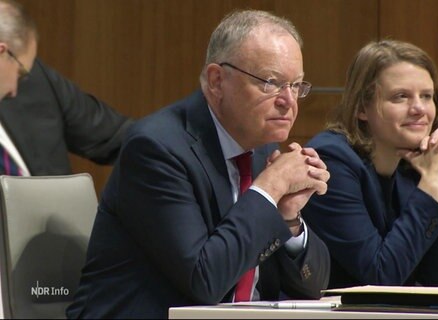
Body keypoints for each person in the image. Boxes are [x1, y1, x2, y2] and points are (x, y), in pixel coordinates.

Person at [67, 9, 331, 319]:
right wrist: (269, 189)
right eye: (271, 83)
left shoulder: (262, 150)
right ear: (217, 80)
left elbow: (314, 286)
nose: (289, 101)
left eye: (296, 86)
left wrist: (288, 218)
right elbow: (204, 280)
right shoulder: (156, 149)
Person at [302, 40, 438, 289]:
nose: (419, 109)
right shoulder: (331, 162)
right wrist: (434, 183)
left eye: (427, 96)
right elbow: (381, 275)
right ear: (362, 107)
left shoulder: (414, 160)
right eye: (400, 97)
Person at [0, 0, 133, 175]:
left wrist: (177, 131)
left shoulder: (38, 81)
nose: (14, 91)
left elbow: (116, 137)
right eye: (21, 72)